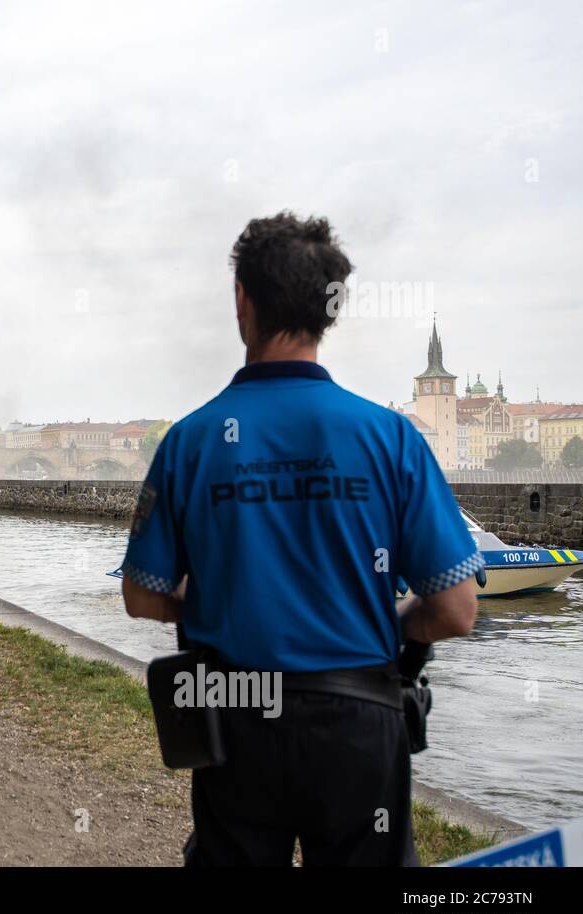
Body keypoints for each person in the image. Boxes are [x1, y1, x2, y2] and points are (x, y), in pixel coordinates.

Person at [121, 211, 480, 867]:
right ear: (330, 310)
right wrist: (395, 624)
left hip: (232, 721)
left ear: (243, 300)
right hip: (359, 725)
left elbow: (142, 599)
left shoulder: (190, 442)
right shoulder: (390, 437)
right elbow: (454, 611)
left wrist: (204, 607)